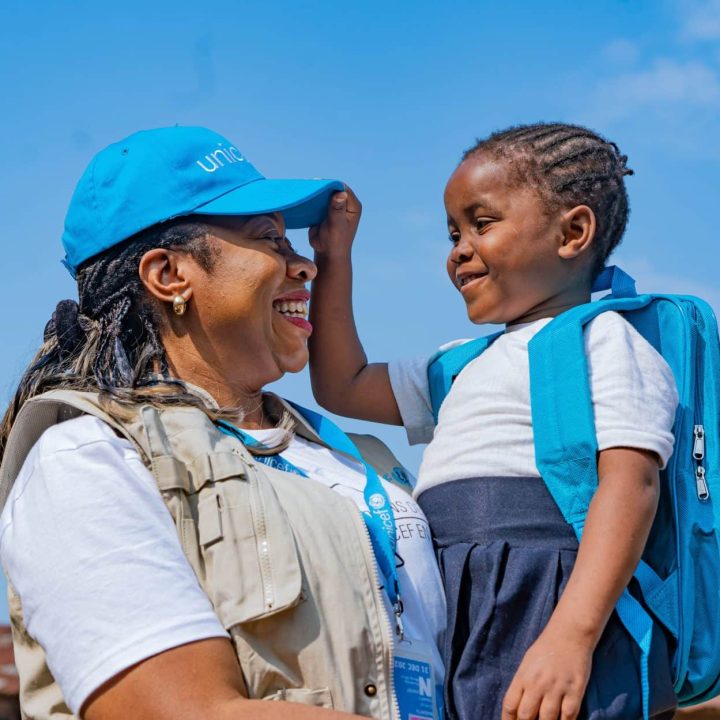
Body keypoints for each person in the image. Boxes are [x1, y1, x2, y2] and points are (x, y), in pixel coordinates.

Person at [0, 126, 446, 720]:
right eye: (268, 239)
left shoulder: (360, 458)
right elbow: (188, 711)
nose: (305, 266)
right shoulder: (87, 456)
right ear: (169, 275)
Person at [308, 123, 680, 720]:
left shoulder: (604, 338)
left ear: (573, 232)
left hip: (546, 599)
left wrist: (572, 636)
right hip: (457, 603)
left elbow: (630, 485)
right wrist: (334, 257)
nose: (457, 248)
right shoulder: (461, 363)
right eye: (453, 231)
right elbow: (342, 384)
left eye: (482, 224)